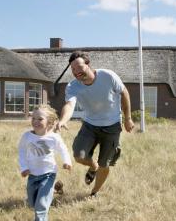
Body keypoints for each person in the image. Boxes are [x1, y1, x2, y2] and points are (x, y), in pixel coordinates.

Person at [57, 51, 134, 197]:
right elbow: (69, 105)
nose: (76, 72)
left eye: (79, 67)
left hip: (112, 126)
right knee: (79, 155)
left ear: (88, 64)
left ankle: (94, 192)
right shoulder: (72, 86)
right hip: (90, 125)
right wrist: (63, 120)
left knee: (105, 164)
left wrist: (128, 118)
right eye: (72, 69)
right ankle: (93, 167)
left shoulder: (108, 76)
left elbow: (124, 93)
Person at [18, 104, 72, 221]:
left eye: (40, 119)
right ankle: (54, 190)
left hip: (48, 174)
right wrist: (24, 167)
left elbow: (63, 150)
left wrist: (67, 161)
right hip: (32, 175)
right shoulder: (27, 136)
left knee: (41, 205)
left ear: (50, 123)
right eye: (33, 118)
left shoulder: (54, 137)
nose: (35, 121)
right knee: (32, 202)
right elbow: (22, 152)